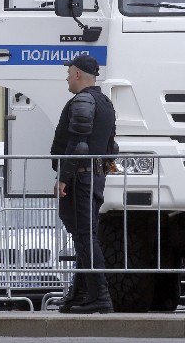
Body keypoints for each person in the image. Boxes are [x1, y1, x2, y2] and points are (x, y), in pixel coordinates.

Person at [50, 54, 117, 314]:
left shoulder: (83, 100)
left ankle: (99, 297)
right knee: (83, 236)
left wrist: (63, 178)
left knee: (84, 237)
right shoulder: (105, 103)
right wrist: (100, 174)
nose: (66, 77)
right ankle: (79, 295)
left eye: (69, 72)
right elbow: (112, 147)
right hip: (92, 176)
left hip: (79, 177)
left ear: (78, 74)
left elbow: (78, 145)